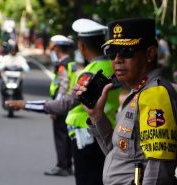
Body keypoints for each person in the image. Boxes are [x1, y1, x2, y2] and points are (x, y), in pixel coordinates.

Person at [7, 19, 120, 185]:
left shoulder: (89, 73)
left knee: (87, 180)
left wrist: (26, 105)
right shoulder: (112, 67)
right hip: (105, 131)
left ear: (82, 47)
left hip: (86, 136)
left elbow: (66, 104)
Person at [76, 18, 177, 185]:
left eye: (126, 51)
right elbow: (118, 153)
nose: (117, 59)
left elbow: (158, 174)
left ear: (149, 53)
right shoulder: (139, 92)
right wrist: (97, 116)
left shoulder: (155, 95)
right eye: (112, 52)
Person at [46, 35, 75, 176]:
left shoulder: (63, 65)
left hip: (62, 105)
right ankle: (67, 165)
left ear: (57, 48)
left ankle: (62, 166)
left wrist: (55, 107)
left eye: (53, 46)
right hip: (69, 105)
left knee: (61, 136)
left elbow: (63, 87)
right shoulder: (71, 62)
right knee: (66, 136)